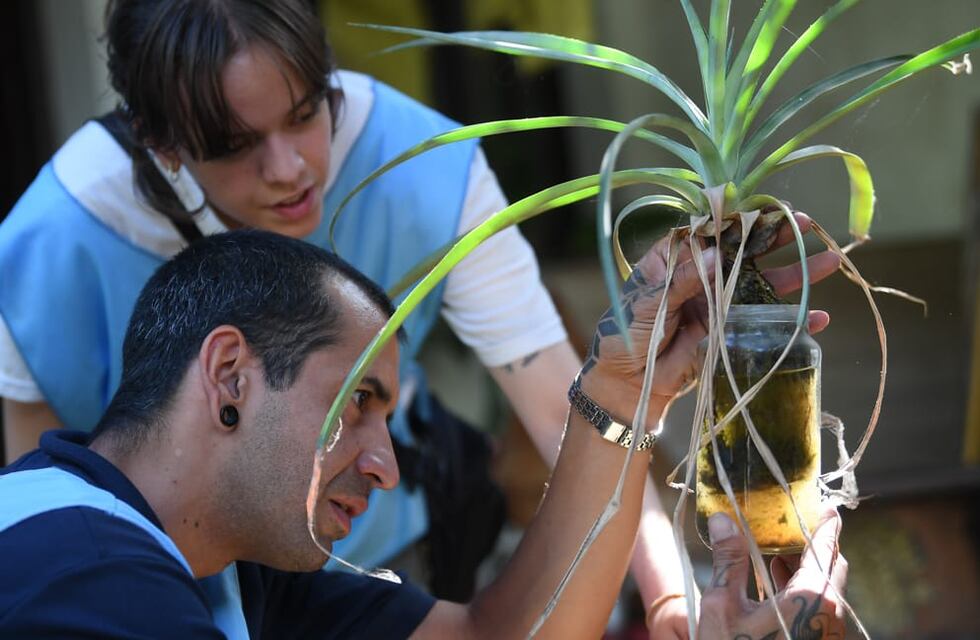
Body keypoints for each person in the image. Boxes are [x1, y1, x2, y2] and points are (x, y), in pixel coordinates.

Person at [0, 0, 693, 631]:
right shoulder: (51, 245)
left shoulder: (423, 165)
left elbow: (558, 411)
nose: (289, 168)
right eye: (236, 144)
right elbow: (49, 491)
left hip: (329, 564)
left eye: (306, 113)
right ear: (162, 144)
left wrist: (669, 596)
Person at [0, 229, 847, 638]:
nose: (386, 466)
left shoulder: (238, 568)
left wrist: (623, 395)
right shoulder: (81, 576)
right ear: (230, 376)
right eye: (357, 401)